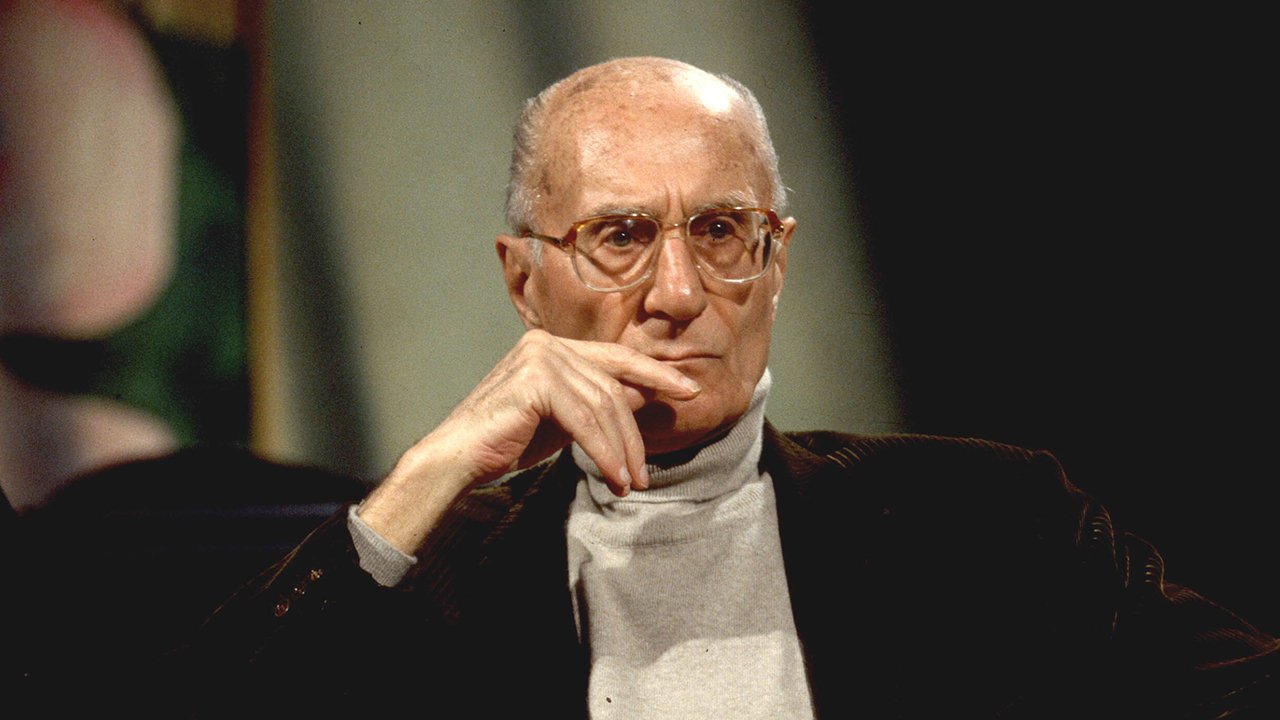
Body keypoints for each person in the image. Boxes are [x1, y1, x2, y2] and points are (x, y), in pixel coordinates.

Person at [173, 57, 1276, 718]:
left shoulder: (988, 522)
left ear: (777, 260)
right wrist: (435, 468)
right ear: (523, 280)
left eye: (718, 231)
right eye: (619, 235)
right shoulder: (429, 578)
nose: (676, 292)